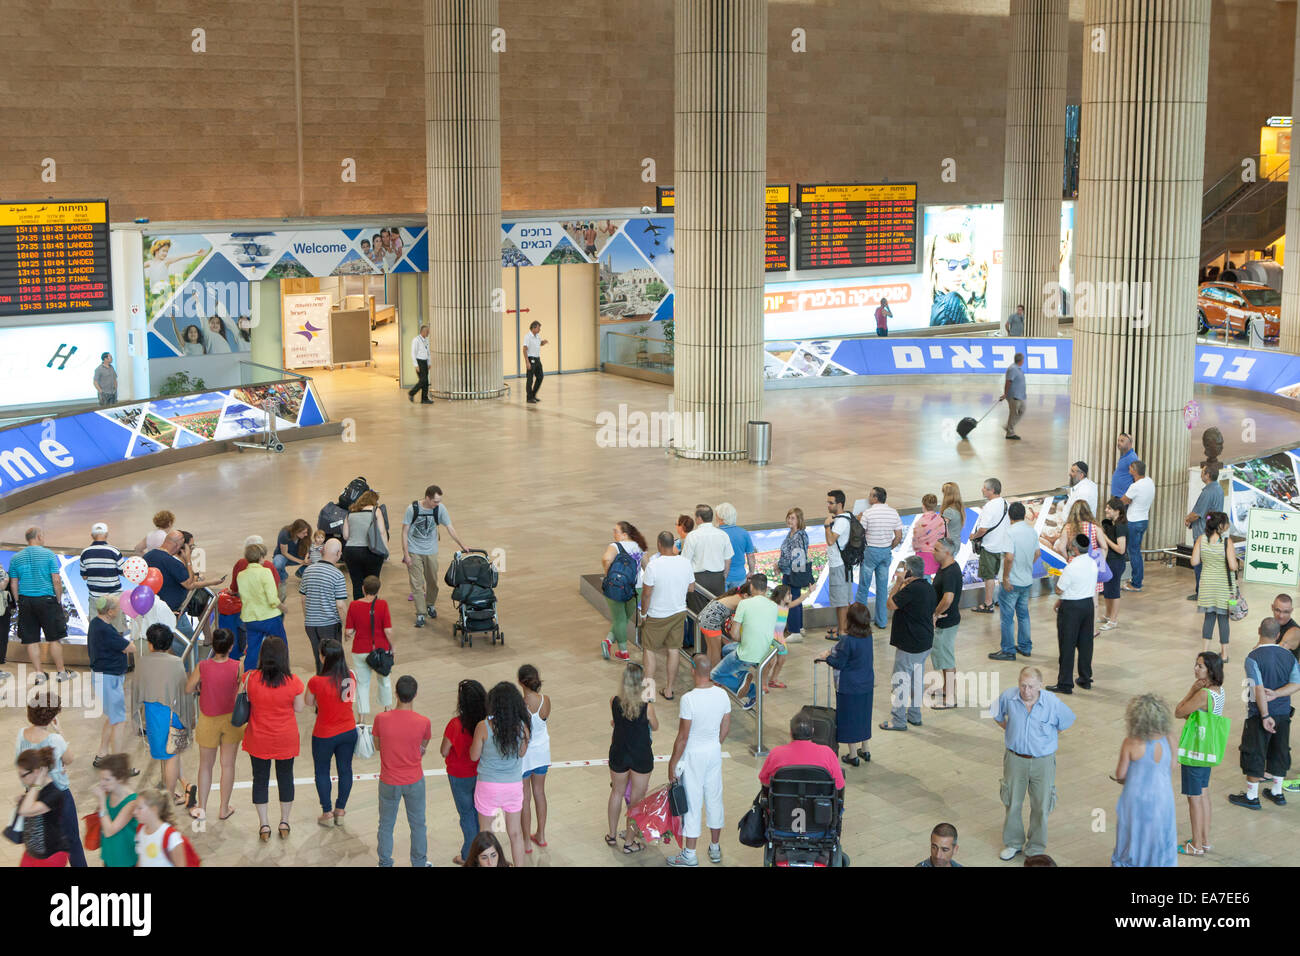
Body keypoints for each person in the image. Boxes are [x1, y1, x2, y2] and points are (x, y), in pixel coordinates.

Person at [990, 667, 1075, 861]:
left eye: (1031, 687)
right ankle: (1013, 843)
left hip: (1042, 762)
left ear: (1040, 686)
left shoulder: (1052, 702)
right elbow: (996, 713)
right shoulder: (1009, 697)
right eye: (1022, 685)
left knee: (1041, 805)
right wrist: (1010, 729)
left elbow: (1066, 722)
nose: (1026, 691)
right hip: (1015, 759)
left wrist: (1045, 741)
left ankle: (1036, 847)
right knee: (1012, 802)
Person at [1228, 618, 1300, 811]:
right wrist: (1277, 693)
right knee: (1280, 750)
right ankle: (1277, 793)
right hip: (1284, 713)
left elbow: (1258, 688)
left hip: (1259, 715)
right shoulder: (1290, 656)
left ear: (1259, 630)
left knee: (1254, 751)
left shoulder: (1253, 657)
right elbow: (1296, 684)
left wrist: (1265, 715)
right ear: (1278, 635)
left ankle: (1252, 796)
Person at [666, 654, 731, 867]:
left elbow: (683, 737)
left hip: (693, 755)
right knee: (714, 798)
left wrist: (673, 762)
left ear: (693, 670)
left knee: (693, 804)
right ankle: (714, 848)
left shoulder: (689, 699)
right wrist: (714, 743)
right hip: (713, 752)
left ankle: (690, 854)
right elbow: (725, 727)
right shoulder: (722, 695)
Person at [241, 635, 304, 842]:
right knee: (286, 778)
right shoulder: (293, 682)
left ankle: (264, 824)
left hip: (258, 737)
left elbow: (244, 698)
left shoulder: (250, 678)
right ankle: (284, 821)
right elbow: (299, 708)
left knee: (260, 780)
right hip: (285, 737)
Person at [16, 694, 87, 867]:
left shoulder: (21, 734)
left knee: (41, 838)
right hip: (59, 796)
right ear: (53, 715)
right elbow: (69, 758)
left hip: (32, 794)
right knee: (72, 841)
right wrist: (60, 731)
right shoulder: (55, 739)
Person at [1110, 693, 1178, 867]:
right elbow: (1172, 764)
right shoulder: (1168, 739)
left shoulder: (1131, 743)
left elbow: (1120, 774)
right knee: (1161, 834)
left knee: (1132, 835)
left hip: (1136, 799)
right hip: (1163, 796)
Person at [372, 674, 431, 866]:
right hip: (414, 780)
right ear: (415, 695)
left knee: (386, 825)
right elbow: (423, 746)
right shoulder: (423, 722)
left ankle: (385, 862)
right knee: (418, 825)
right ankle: (419, 862)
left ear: (396, 694)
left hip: (389, 781)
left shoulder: (381, 719)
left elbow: (378, 746)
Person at [184, 627, 242, 823]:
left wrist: (202, 686)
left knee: (205, 766)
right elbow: (242, 690)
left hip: (208, 720)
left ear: (213, 646)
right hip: (231, 720)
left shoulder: (203, 666)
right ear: (231, 646)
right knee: (227, 765)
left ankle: (202, 807)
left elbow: (188, 687)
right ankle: (224, 808)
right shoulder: (237, 666)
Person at [470, 681, 530, 866]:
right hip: (512, 786)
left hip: (487, 785)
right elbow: (522, 753)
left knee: (486, 834)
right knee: (515, 834)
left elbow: (474, 756)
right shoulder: (522, 727)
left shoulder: (483, 726)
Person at [1174, 651, 1225, 856]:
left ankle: (1195, 845)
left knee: (1193, 797)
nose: (1196, 669)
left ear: (1210, 670)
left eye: (1200, 666)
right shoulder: (1219, 691)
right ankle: (1204, 840)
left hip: (1195, 749)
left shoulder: (1203, 694)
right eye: (1196, 665)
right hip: (1208, 749)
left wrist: (1190, 691)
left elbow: (1179, 712)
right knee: (1204, 793)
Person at [137, 624, 191, 811]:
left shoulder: (143, 662)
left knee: (164, 754)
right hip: (173, 713)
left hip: (153, 714)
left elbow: (137, 691)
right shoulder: (175, 663)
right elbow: (184, 692)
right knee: (173, 756)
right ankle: (170, 794)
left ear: (150, 644)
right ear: (169, 643)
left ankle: (170, 792)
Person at [8, 526, 73, 682]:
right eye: (42, 535)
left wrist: (18, 600)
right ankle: (61, 672)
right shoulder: (48, 554)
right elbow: (56, 580)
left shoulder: (16, 558)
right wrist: (58, 599)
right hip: (47, 600)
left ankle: (39, 673)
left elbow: (13, 583)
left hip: (26, 600)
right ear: (37, 537)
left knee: (31, 640)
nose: (43, 538)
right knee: (54, 638)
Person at [305, 639, 358, 829]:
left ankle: (327, 812)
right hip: (348, 731)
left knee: (322, 771)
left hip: (324, 734)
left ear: (323, 657)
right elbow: (348, 700)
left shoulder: (316, 681)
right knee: (345, 770)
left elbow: (309, 703)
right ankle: (340, 810)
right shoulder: (349, 676)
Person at [606, 661, 658, 853]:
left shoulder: (614, 701)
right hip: (641, 755)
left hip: (619, 752)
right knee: (637, 800)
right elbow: (655, 726)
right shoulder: (647, 707)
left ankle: (611, 835)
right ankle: (629, 842)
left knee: (616, 793)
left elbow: (616, 722)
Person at [881, 556, 936, 731]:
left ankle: (898, 720)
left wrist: (898, 583)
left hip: (909, 644)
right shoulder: (927, 587)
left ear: (909, 572)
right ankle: (914, 715)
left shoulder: (910, 590)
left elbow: (890, 604)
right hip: (924, 642)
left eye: (903, 569)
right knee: (916, 680)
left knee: (900, 681)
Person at [816, 602, 875, 765]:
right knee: (864, 715)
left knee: (849, 718)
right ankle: (866, 749)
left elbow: (839, 663)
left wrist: (826, 657)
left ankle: (852, 755)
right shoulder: (869, 636)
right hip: (867, 682)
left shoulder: (848, 640)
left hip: (849, 685)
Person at [638, 531, 694, 702]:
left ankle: (648, 692)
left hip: (657, 615)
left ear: (659, 544)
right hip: (678, 612)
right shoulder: (685, 563)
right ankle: (669, 690)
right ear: (673, 545)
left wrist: (643, 613)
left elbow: (646, 595)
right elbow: (691, 588)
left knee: (649, 649)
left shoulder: (654, 566)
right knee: (673, 649)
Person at [402, 484, 465, 628]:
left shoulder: (440, 509)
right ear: (427, 498)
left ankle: (430, 604)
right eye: (435, 501)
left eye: (439, 501)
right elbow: (404, 532)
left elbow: (450, 527)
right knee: (417, 584)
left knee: (433, 582)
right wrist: (406, 554)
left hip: (431, 550)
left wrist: (462, 545)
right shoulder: (412, 509)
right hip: (414, 550)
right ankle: (420, 613)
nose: (438, 504)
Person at [711, 573, 777, 710]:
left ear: (751, 587)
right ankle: (743, 675)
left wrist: (745, 639)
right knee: (726, 650)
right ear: (766, 589)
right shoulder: (773, 606)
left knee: (715, 674)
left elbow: (734, 635)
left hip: (746, 654)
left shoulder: (744, 603)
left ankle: (753, 692)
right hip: (764, 654)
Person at [441, 679, 487, 865]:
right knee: (479, 813)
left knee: (466, 814)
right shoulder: (485, 723)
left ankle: (470, 854)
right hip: (481, 773)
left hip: (459, 776)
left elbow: (444, 750)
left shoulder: (455, 724)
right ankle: (482, 850)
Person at [1047, 534, 1099, 694]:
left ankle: (1065, 683)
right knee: (1085, 644)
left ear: (1075, 549)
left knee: (1067, 645)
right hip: (1087, 605)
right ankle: (1085, 679)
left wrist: (1060, 596)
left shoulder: (1072, 567)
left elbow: (1059, 589)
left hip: (1071, 609)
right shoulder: (1092, 563)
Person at [88, 594, 134, 766]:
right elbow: (130, 647)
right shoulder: (106, 630)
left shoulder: (96, 623)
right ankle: (118, 765)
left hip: (104, 678)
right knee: (119, 720)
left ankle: (102, 754)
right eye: (117, 607)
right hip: (109, 679)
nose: (119, 609)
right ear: (109, 611)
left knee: (112, 716)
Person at [991, 502, 1039, 662]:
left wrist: (1005, 577)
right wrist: (1027, 565)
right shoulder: (1031, 531)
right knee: (1023, 615)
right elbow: (1037, 553)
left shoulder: (1010, 533)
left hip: (1011, 582)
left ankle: (1008, 650)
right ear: (1024, 514)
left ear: (1010, 516)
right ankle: (1025, 647)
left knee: (1007, 617)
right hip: (1026, 580)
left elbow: (1009, 557)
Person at [681, 504, 733, 640]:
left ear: (698, 519)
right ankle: (719, 645)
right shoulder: (722, 534)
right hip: (717, 579)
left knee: (699, 615)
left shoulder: (693, 536)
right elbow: (728, 559)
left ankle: (702, 650)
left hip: (698, 580)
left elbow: (685, 562)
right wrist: (724, 575)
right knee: (718, 614)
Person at [345, 575, 394, 718]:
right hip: (380, 649)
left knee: (362, 684)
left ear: (363, 589)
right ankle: (387, 710)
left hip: (360, 649)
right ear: (378, 590)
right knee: (384, 680)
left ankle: (362, 717)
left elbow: (349, 631)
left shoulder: (354, 605)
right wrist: (393, 647)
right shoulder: (383, 604)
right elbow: (388, 631)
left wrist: (348, 635)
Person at [758, 712, 844, 792]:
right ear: (812, 731)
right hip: (817, 807)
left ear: (790, 733)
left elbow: (764, 782)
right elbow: (838, 785)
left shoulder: (776, 753)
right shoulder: (827, 753)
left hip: (783, 807)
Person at [14, 747, 71, 867]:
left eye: (23, 775)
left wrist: (37, 783)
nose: (21, 780)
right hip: (32, 853)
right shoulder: (36, 789)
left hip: (51, 856)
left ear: (36, 772)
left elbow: (25, 810)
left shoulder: (54, 794)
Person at [299, 537, 348, 674]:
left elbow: (303, 599)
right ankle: (332, 690)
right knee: (333, 661)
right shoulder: (337, 575)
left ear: (322, 550)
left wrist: (308, 618)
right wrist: (347, 626)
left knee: (319, 659)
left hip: (311, 625)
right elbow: (340, 605)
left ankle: (320, 688)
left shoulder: (308, 571)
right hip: (329, 624)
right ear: (339, 554)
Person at [600, 521, 648, 662]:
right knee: (624, 619)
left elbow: (606, 558)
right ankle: (608, 641)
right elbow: (648, 566)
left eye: (616, 531)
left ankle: (623, 651)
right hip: (636, 588)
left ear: (624, 534)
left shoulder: (615, 546)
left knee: (619, 619)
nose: (614, 534)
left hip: (617, 586)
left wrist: (608, 572)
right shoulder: (640, 547)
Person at [1192, 511, 1236, 660]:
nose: (1228, 525)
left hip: (1206, 586)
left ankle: (1204, 652)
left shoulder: (1201, 539)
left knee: (1208, 618)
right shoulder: (1226, 542)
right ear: (1220, 526)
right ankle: (1224, 654)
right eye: (1226, 523)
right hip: (1225, 588)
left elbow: (1194, 562)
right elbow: (1233, 566)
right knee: (1223, 619)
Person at [237, 542, 288, 670]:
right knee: (281, 645)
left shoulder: (241, 575)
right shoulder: (265, 572)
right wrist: (281, 606)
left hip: (250, 618)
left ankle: (248, 679)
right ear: (260, 557)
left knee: (252, 650)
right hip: (269, 617)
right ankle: (282, 673)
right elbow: (272, 598)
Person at [858, 486, 903, 628]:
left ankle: (861, 622)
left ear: (876, 498)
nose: (868, 497)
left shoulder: (867, 514)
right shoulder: (893, 512)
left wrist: (859, 519)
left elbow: (860, 534)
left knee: (863, 587)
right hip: (885, 553)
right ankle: (882, 621)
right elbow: (898, 537)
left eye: (870, 495)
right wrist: (889, 547)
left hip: (870, 552)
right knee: (882, 588)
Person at [518, 664, 551, 851]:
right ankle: (541, 835)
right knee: (540, 792)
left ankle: (525, 841)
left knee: (525, 798)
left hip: (525, 756)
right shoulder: (545, 700)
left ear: (520, 682)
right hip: (542, 753)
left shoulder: (520, 704)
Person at [929, 538, 962, 708]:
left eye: (936, 549)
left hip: (946, 621)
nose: (933, 552)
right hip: (945, 620)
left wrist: (935, 613)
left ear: (947, 552)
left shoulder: (950, 572)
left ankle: (950, 698)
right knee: (942, 656)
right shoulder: (945, 568)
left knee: (946, 658)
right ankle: (946, 688)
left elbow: (948, 599)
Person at [1184, 464, 1224, 600]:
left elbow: (1198, 513)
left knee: (1199, 564)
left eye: (1202, 472)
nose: (1201, 474)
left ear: (1207, 475)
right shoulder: (1218, 489)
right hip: (1213, 531)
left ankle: (1201, 592)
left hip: (1202, 532)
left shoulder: (1207, 492)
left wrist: (1188, 518)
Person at [91, 753, 139, 867]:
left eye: (107, 779)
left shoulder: (131, 801)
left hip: (125, 856)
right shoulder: (109, 792)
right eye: (101, 779)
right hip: (111, 852)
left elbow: (110, 831)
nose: (102, 783)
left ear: (120, 779)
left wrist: (102, 802)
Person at [970, 479, 1010, 613]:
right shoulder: (1006, 503)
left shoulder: (989, 506)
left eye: (984, 488)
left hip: (989, 546)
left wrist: (973, 536)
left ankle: (988, 604)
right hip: (1003, 545)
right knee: (1003, 575)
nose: (982, 490)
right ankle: (1002, 600)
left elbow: (983, 529)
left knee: (989, 577)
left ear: (992, 490)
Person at [342, 490, 389, 600]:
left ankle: (359, 610)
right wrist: (386, 551)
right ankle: (371, 610)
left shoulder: (350, 512)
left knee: (357, 584)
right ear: (374, 501)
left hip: (351, 551)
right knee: (372, 584)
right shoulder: (375, 511)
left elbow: (345, 536)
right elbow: (382, 532)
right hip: (371, 551)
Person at [80, 522, 125, 629]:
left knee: (96, 629)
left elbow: (84, 576)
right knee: (117, 628)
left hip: (95, 598)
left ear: (92, 536)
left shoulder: (85, 553)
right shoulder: (114, 551)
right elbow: (123, 572)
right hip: (114, 596)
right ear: (106, 535)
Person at [1120, 459, 1155, 592]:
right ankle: (1138, 578)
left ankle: (1136, 583)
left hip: (1133, 522)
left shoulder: (1135, 486)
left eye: (1130, 468)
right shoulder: (1149, 481)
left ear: (1134, 470)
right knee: (1136, 552)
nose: (1129, 470)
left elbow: (1123, 501)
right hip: (1144, 520)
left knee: (1133, 552)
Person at [777, 507, 811, 643]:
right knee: (795, 599)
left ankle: (795, 631)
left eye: (793, 518)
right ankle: (799, 627)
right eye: (788, 517)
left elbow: (795, 557)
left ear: (799, 520)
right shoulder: (792, 534)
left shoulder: (798, 536)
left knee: (792, 600)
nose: (789, 520)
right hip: (790, 572)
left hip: (792, 573)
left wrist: (780, 566)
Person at [824, 490, 855, 639]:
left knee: (841, 601)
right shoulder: (845, 517)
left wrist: (826, 526)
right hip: (843, 565)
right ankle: (841, 627)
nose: (828, 505)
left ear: (840, 504)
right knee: (841, 600)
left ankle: (842, 631)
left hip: (839, 565)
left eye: (831, 503)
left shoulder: (841, 521)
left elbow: (830, 541)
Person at [132, 788, 187, 866]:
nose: (134, 812)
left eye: (139, 808)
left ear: (154, 810)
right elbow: (141, 859)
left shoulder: (171, 836)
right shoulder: (141, 830)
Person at [716, 503, 757, 590]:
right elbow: (751, 556)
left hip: (720, 577)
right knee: (737, 602)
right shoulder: (744, 533)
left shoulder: (715, 534)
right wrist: (751, 572)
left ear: (720, 517)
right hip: (739, 576)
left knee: (722, 602)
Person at [911, 494, 946, 576]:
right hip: (937, 553)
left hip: (923, 554)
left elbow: (915, 541)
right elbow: (944, 536)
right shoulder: (940, 519)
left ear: (923, 505)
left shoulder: (920, 522)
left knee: (925, 578)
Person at [1000, 352, 1027, 439]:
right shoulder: (1013, 369)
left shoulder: (1017, 368)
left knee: (1022, 410)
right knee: (1013, 414)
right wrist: (1005, 394)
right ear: (1021, 360)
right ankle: (1010, 433)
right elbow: (1008, 381)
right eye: (1023, 359)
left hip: (1019, 396)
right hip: (1014, 396)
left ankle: (1008, 427)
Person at [524, 320, 547, 403]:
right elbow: (524, 349)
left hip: (537, 359)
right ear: (533, 328)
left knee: (540, 376)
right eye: (538, 328)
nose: (539, 330)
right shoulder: (527, 336)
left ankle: (533, 395)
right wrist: (527, 362)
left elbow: (538, 343)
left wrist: (542, 343)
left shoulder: (538, 336)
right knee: (530, 379)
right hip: (531, 359)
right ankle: (529, 398)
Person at [409, 324, 432, 404]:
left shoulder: (426, 340)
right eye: (427, 332)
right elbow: (413, 353)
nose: (428, 333)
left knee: (426, 381)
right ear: (423, 332)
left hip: (425, 362)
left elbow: (428, 352)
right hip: (419, 362)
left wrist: (429, 362)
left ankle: (424, 399)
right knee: (423, 380)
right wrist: (416, 365)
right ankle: (411, 393)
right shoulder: (416, 340)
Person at [1111, 432, 1138, 498]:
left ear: (1130, 443)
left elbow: (1137, 478)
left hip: (1123, 496)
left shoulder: (1132, 457)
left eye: (1122, 441)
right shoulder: (1125, 456)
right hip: (1118, 495)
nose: (1119, 443)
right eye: (1118, 440)